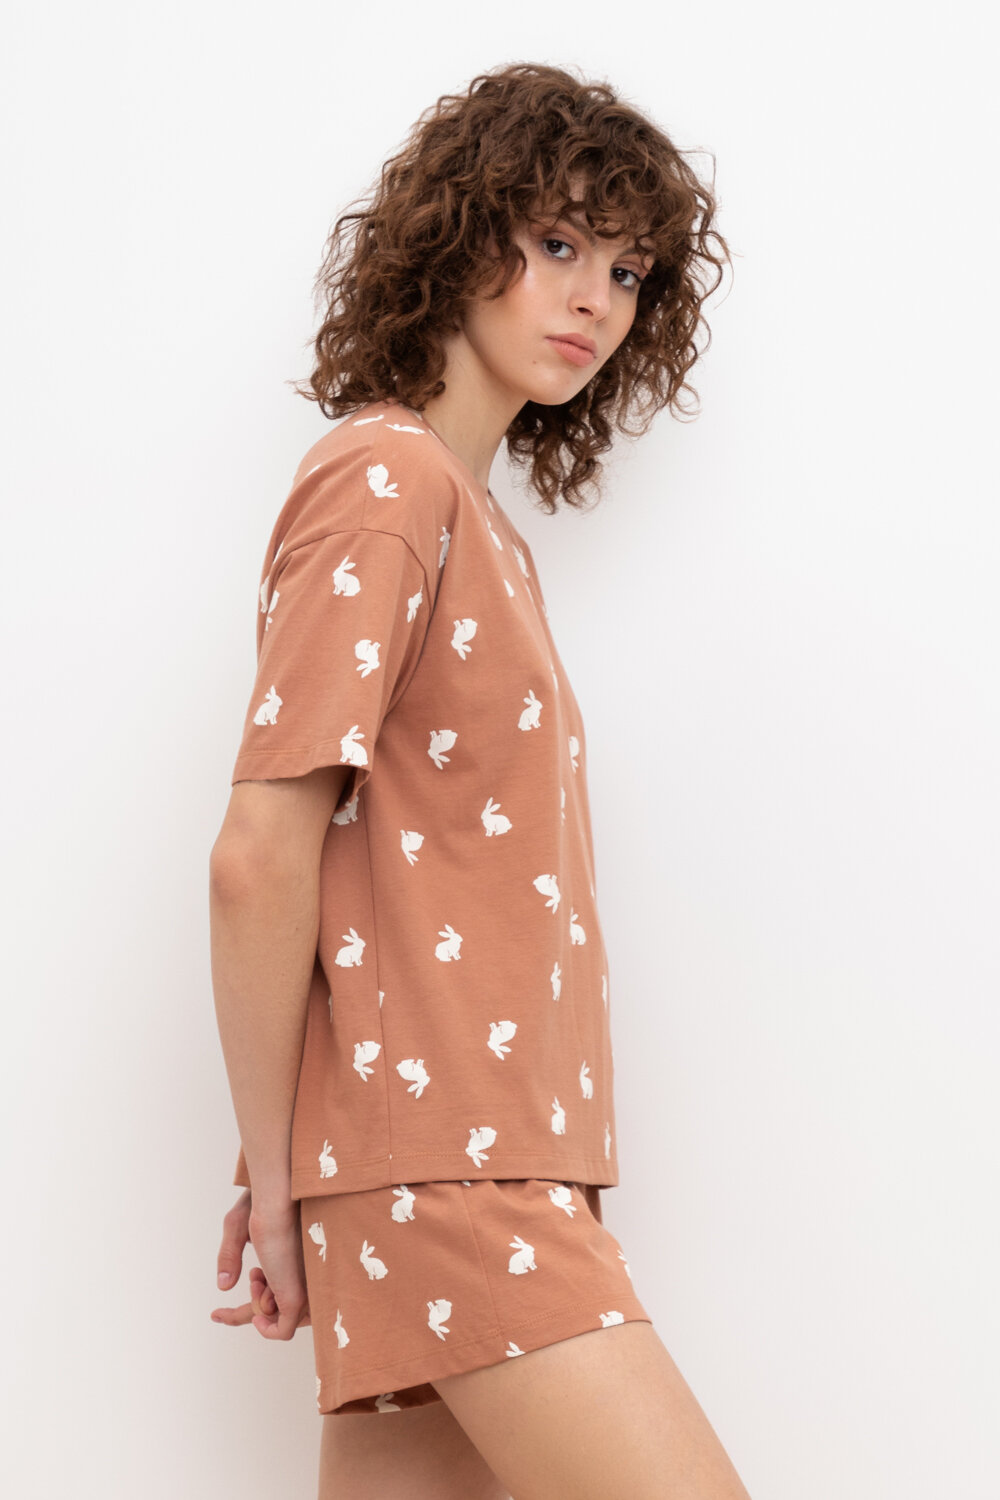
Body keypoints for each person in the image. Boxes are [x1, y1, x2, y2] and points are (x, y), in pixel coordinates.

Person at [208, 60, 751, 1500]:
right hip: (451, 1169)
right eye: (558, 242)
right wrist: (277, 1180)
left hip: (466, 1157)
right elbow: (258, 856)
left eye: (627, 271)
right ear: (457, 237)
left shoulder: (469, 521)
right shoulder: (385, 484)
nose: (595, 299)